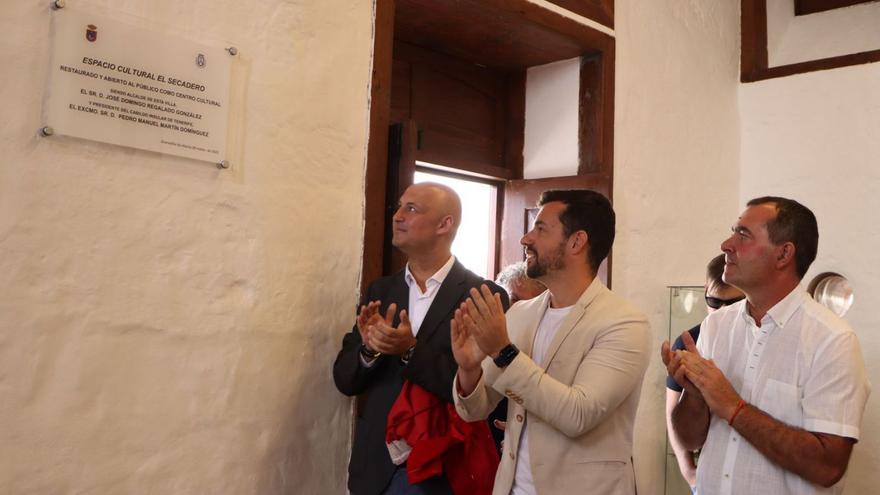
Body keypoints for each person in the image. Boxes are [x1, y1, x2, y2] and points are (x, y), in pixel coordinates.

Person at [663, 197, 870, 494]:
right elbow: (690, 440)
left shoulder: (832, 340)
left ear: (784, 254)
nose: (726, 244)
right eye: (732, 232)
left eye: (743, 235)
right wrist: (694, 395)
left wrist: (733, 407)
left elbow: (828, 467)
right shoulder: (716, 326)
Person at [450, 189, 651, 495]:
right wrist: (468, 368)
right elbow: (476, 409)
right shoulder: (521, 313)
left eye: (541, 229)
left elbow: (578, 415)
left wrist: (503, 352)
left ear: (576, 241)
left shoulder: (624, 323)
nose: (525, 238)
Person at [333, 182, 509, 495]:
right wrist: (370, 350)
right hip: (376, 468)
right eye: (398, 207)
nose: (398, 216)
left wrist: (409, 351)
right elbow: (345, 380)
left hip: (442, 467)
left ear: (445, 224)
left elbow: (481, 395)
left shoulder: (482, 296)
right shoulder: (382, 291)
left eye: (411, 209)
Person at [664, 254, 744, 489]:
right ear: (705, 290)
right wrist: (688, 470)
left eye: (732, 304)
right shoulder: (690, 340)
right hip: (706, 467)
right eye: (714, 302)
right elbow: (672, 411)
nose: (721, 312)